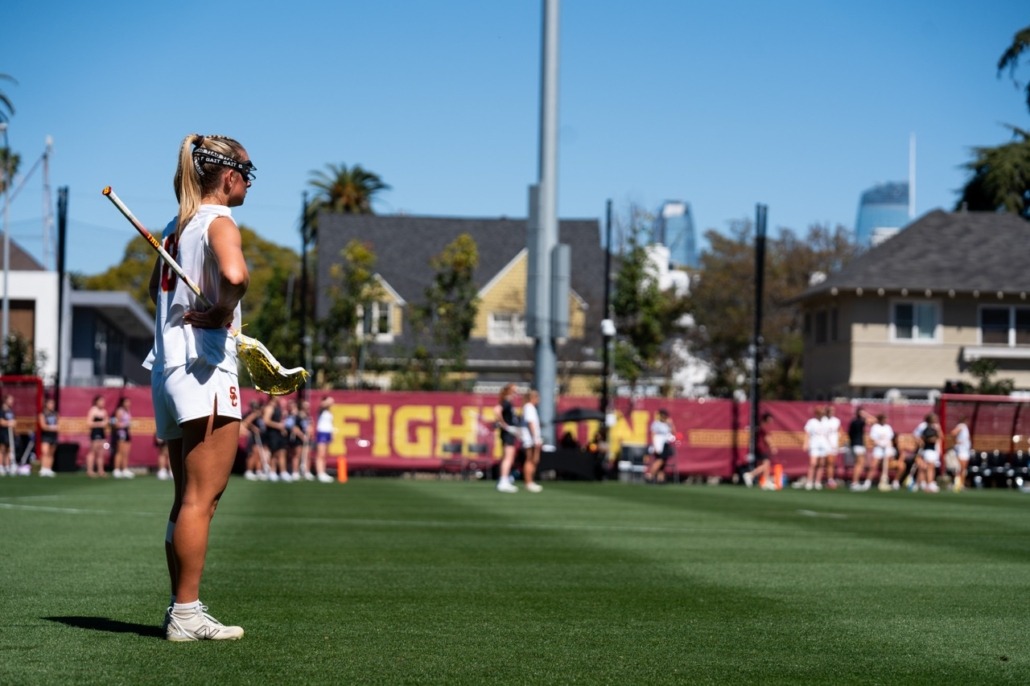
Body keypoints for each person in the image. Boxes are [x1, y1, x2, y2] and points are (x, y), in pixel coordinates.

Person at [146, 133, 253, 641]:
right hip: (205, 367)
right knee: (201, 500)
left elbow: (155, 288)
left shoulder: (176, 226)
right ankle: (186, 614)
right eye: (247, 173)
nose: (249, 182)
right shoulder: (217, 221)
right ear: (228, 177)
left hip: (168, 367)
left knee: (185, 497)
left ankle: (182, 609)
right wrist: (222, 311)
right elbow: (236, 275)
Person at [494, 384, 520, 493]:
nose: (516, 393)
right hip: (507, 433)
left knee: (509, 457)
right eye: (514, 391)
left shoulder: (508, 402)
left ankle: (505, 479)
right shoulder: (506, 401)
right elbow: (497, 410)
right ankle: (503, 481)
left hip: (510, 433)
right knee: (508, 458)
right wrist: (505, 425)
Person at [742, 412, 777, 489]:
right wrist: (772, 446)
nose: (772, 420)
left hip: (759, 447)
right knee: (766, 464)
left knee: (766, 464)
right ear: (767, 419)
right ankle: (750, 474)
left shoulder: (761, 425)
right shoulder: (764, 426)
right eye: (770, 418)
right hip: (762, 447)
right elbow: (767, 438)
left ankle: (765, 481)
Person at [262, 395, 290, 482]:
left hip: (278, 434)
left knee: (282, 452)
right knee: (274, 453)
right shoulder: (269, 408)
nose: (279, 397)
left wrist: (282, 429)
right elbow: (266, 420)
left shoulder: (278, 407)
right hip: (272, 434)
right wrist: (278, 426)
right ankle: (272, 472)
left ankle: (283, 472)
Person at [520, 389, 543, 493]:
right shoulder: (529, 407)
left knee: (534, 460)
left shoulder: (531, 407)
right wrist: (535, 437)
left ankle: (530, 481)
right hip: (529, 439)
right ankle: (528, 482)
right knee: (529, 459)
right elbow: (530, 423)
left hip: (532, 438)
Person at [645, 409, 676, 483]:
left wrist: (670, 424)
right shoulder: (656, 423)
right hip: (659, 445)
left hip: (665, 444)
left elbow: (673, 432)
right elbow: (653, 435)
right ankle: (650, 475)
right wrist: (655, 446)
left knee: (663, 462)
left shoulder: (667, 424)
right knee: (660, 460)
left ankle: (660, 478)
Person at [913, 413, 942, 493]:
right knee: (928, 468)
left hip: (933, 450)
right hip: (928, 450)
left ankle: (926, 483)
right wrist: (921, 442)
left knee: (929, 467)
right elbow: (926, 438)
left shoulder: (935, 427)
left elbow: (940, 437)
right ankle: (928, 484)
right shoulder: (926, 428)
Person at [846, 407, 873, 490]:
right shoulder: (859, 422)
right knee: (859, 464)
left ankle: (855, 482)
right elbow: (873, 421)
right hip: (858, 445)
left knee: (859, 463)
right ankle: (855, 482)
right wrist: (866, 415)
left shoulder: (853, 422)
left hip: (854, 444)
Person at [803, 406, 829, 490]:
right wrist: (806, 443)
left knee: (821, 464)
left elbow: (828, 434)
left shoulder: (826, 421)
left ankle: (817, 482)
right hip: (814, 445)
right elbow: (807, 433)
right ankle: (809, 481)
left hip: (823, 445)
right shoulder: (811, 422)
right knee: (813, 463)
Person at [111, 397, 135, 479]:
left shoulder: (127, 411)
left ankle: (124, 469)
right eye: (126, 402)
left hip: (127, 432)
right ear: (122, 403)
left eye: (129, 402)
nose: (128, 404)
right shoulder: (119, 411)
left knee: (126, 453)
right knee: (119, 452)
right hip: (121, 433)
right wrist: (125, 425)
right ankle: (116, 469)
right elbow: (115, 424)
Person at [86, 395, 109, 478]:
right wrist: (99, 424)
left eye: (103, 401)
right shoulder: (93, 410)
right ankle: (90, 470)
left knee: (101, 452)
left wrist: (104, 424)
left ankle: (101, 470)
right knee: (93, 451)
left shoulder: (104, 411)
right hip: (95, 432)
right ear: (96, 402)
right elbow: (89, 423)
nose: (102, 403)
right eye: (101, 401)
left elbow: (106, 422)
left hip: (102, 433)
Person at [314, 396, 335, 483]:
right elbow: (323, 405)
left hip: (327, 433)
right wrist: (328, 401)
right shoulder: (321, 409)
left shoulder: (328, 411)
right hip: (321, 433)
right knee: (320, 454)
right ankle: (320, 473)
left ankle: (323, 471)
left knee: (324, 455)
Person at [37, 396, 59, 477]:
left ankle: (49, 468)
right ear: (46, 404)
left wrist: (55, 427)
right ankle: (43, 468)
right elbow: (43, 426)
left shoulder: (55, 414)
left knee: (51, 453)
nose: (52, 405)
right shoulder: (43, 414)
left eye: (53, 403)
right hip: (46, 436)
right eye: (50, 403)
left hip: (53, 436)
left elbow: (59, 425)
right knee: (45, 452)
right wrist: (52, 427)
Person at [822, 405, 842, 489]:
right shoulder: (823, 420)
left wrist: (839, 440)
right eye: (830, 411)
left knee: (831, 463)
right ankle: (827, 479)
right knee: (826, 462)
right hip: (824, 444)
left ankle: (830, 479)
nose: (831, 412)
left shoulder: (836, 420)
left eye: (833, 411)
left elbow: (839, 431)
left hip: (834, 444)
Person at [951, 416, 971, 493]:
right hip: (961, 450)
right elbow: (953, 433)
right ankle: (957, 484)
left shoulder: (965, 427)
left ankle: (961, 484)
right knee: (960, 468)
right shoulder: (961, 426)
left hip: (965, 450)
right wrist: (956, 441)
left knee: (963, 469)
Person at [0, 395, 14, 476]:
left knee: (9, 450)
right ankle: (1, 466)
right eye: (10, 400)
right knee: (2, 450)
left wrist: (13, 423)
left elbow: (14, 421)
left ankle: (7, 466)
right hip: (3, 433)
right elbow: (1, 421)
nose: (12, 401)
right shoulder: (1, 411)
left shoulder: (11, 411)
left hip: (10, 433)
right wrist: (8, 423)